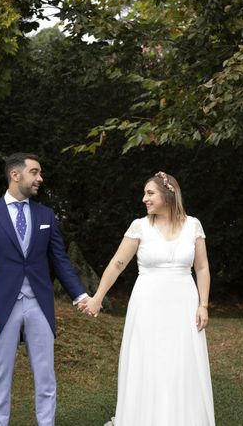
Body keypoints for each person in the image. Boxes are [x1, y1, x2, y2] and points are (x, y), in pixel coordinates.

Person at [0, 152, 91, 426]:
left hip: (39, 303)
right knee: (0, 374)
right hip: (2, 307)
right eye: (35, 172)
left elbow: (59, 260)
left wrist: (81, 296)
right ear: (16, 175)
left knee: (46, 374)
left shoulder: (45, 215)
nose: (40, 178)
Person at [86, 171, 215, 425]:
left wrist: (203, 305)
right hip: (147, 304)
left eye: (150, 193)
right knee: (148, 361)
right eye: (145, 193)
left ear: (168, 194)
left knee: (181, 362)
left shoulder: (193, 225)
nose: (144, 199)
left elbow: (202, 268)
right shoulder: (140, 226)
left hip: (183, 304)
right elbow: (116, 265)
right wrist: (97, 297)